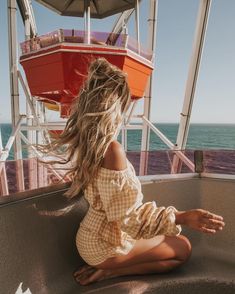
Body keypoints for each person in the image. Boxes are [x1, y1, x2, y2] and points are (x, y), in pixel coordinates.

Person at [43, 58, 225, 286]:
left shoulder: (89, 145)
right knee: (183, 249)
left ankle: (110, 270)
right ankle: (109, 271)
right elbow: (128, 220)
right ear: (113, 108)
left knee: (172, 246)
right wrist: (183, 216)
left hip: (93, 238)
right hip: (104, 246)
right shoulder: (112, 150)